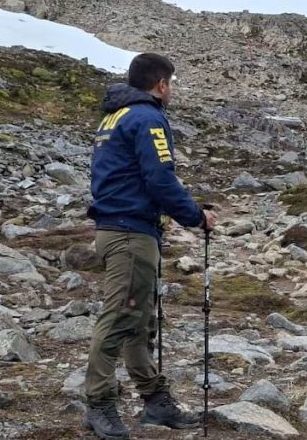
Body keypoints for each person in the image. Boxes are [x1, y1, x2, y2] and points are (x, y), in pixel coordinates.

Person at [83, 53, 217, 439]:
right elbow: (160, 178)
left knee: (139, 322)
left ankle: (155, 401)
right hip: (130, 234)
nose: (171, 91)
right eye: (171, 83)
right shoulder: (147, 117)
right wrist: (196, 215)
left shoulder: (114, 116)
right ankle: (99, 404)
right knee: (120, 320)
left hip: (118, 228)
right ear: (161, 84)